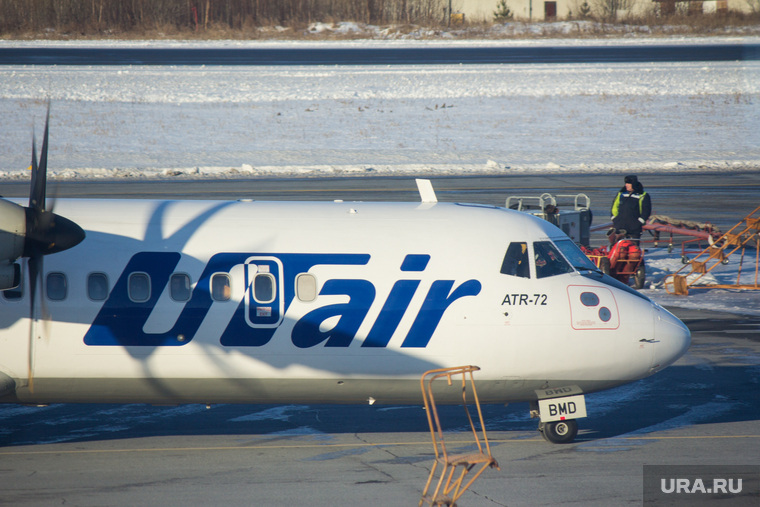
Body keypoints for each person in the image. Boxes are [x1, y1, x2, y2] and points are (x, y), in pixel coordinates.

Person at [610, 174, 651, 240]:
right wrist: (614, 218)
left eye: (629, 183)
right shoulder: (621, 194)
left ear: (633, 184)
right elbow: (614, 206)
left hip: (634, 228)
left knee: (633, 247)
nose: (626, 185)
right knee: (619, 247)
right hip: (620, 226)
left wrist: (639, 222)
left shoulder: (643, 195)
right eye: (626, 183)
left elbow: (646, 210)